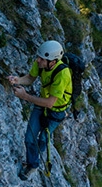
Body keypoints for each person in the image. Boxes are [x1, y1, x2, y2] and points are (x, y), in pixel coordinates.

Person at [8, 40, 72, 179]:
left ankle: (34, 159)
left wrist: (25, 96)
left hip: (56, 110)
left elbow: (50, 103)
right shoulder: (41, 64)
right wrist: (17, 80)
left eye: (42, 59)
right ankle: (33, 164)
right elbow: (30, 78)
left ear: (53, 62)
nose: (38, 60)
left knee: (43, 139)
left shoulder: (62, 74)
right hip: (42, 103)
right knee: (30, 137)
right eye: (39, 57)